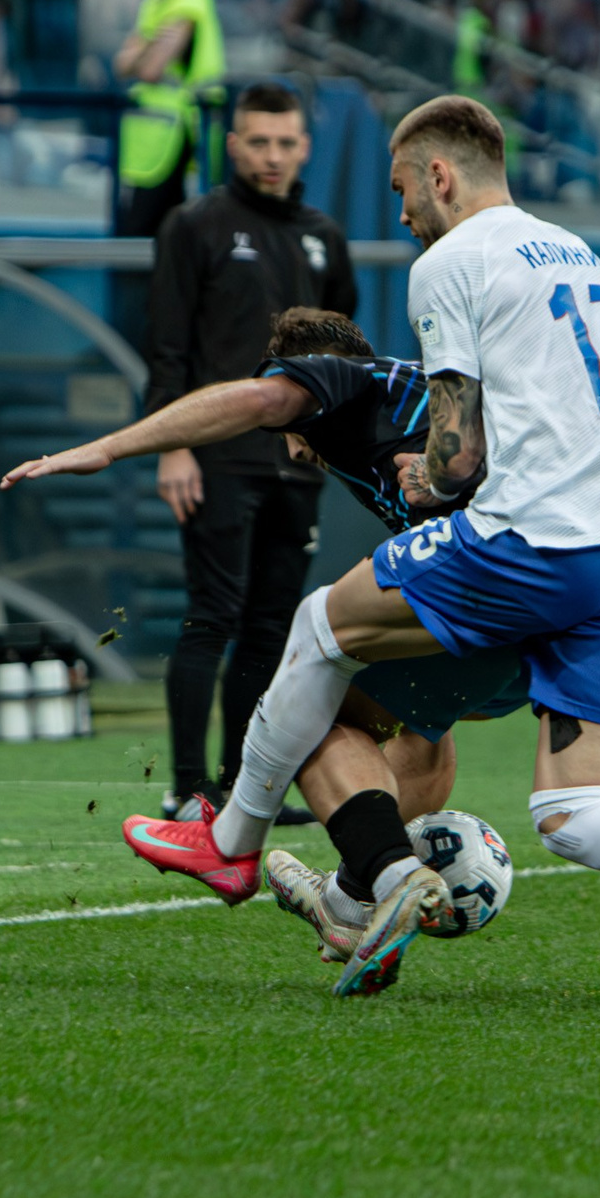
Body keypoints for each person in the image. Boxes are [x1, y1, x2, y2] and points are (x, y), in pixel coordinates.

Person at [117, 96, 600, 1008]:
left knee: (317, 626)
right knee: (571, 811)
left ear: (439, 176)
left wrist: (432, 480)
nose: (401, 214)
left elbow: (458, 453)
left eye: (404, 190)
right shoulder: (579, 255)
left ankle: (233, 840)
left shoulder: (452, 259)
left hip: (538, 541)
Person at [2, 305, 600, 977]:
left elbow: (247, 404)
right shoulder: (445, 391)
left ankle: (282, 855)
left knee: (314, 677)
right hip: (593, 595)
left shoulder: (338, 383)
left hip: (515, 579)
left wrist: (106, 448)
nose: (284, 440)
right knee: (528, 791)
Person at [142, 81, 354, 812]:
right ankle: (183, 789)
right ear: (233, 145)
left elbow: (343, 359)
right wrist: (174, 447)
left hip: (296, 467)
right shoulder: (193, 226)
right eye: (257, 141)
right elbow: (167, 348)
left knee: (271, 623)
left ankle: (238, 788)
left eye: (285, 142)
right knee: (212, 614)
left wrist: (328, 440)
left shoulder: (325, 236)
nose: (271, 155)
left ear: (305, 147)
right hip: (216, 459)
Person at [113, 0, 224, 246]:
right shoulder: (154, 1)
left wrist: (141, 48)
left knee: (154, 236)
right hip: (152, 139)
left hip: (183, 134)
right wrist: (148, 45)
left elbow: (150, 69)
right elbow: (122, 65)